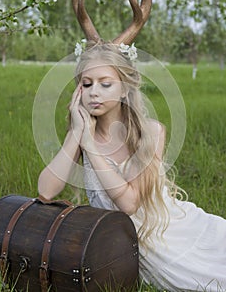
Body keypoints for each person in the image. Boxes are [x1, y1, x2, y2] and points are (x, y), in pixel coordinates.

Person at [38, 41, 226, 292]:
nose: (94, 92)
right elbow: (46, 191)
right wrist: (77, 133)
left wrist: (90, 148)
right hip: (122, 241)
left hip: (163, 233)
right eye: (86, 84)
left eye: (105, 84)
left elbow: (129, 204)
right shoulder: (82, 134)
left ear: (125, 89)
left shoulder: (151, 132)